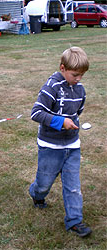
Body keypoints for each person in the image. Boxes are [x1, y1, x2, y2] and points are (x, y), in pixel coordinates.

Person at [29, 47, 92, 237]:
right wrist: (60, 122)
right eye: (75, 75)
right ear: (62, 68)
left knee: (73, 185)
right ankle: (36, 193)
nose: (78, 79)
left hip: (72, 146)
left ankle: (74, 221)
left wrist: (70, 123)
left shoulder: (80, 90)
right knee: (44, 183)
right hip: (50, 146)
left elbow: (77, 111)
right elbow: (36, 113)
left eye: (81, 75)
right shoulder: (52, 87)